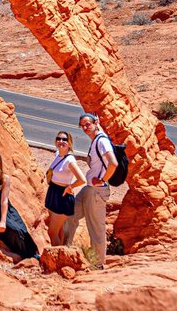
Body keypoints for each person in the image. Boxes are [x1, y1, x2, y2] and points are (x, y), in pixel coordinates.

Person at [63, 113, 118, 269]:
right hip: (89, 188)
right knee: (70, 214)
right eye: (82, 125)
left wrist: (102, 179)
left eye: (88, 124)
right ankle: (66, 248)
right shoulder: (96, 139)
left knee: (96, 228)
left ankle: (97, 264)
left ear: (96, 123)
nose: (85, 127)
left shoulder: (101, 141)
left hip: (97, 191)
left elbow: (113, 163)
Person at [44, 130, 86, 246]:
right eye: (59, 139)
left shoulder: (70, 160)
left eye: (64, 139)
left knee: (52, 232)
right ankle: (61, 255)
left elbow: (82, 179)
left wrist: (71, 187)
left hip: (62, 197)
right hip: (53, 193)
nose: (61, 141)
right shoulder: (57, 154)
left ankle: (55, 258)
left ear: (70, 143)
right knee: (59, 230)